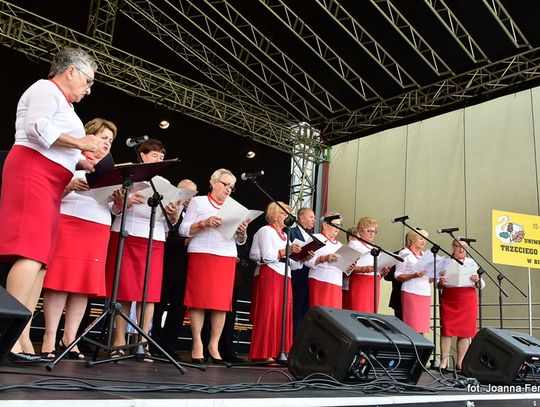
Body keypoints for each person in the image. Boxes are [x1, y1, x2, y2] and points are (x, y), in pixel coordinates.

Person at [0, 47, 101, 361]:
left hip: (51, 182)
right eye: (87, 81)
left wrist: (83, 161)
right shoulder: (46, 89)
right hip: (32, 171)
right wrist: (81, 143)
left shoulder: (67, 107)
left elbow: (60, 144)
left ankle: (22, 335)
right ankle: (8, 338)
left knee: (41, 261)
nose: (88, 89)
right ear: (71, 71)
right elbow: (37, 128)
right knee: (29, 251)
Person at [41, 118, 117, 360]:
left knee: (82, 286)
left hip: (98, 226)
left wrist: (122, 199)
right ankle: (49, 338)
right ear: (89, 135)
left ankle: (70, 338)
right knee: (59, 281)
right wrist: (71, 185)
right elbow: (49, 193)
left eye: (110, 141)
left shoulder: (111, 169)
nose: (106, 143)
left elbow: (115, 209)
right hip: (69, 221)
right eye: (103, 137)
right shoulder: (68, 156)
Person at [105, 139, 180, 358]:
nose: (158, 158)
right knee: (125, 291)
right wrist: (127, 200)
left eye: (161, 155)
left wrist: (173, 216)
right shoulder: (128, 175)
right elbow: (113, 207)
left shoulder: (163, 183)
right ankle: (119, 340)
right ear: (142, 155)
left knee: (150, 294)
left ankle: (142, 342)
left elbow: (169, 222)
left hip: (154, 239)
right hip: (127, 234)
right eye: (154, 154)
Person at [179, 169, 249, 364]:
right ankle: (197, 344)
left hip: (226, 255)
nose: (228, 189)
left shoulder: (234, 207)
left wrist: (242, 232)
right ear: (214, 182)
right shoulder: (198, 202)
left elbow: (241, 241)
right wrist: (204, 223)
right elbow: (184, 229)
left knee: (221, 304)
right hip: (202, 251)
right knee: (198, 300)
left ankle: (213, 345)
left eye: (232, 187)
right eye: (226, 184)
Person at [150, 179, 197, 359]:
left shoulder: (195, 215)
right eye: (187, 193)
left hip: (186, 269)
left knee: (178, 311)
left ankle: (169, 347)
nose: (190, 197)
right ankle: (153, 344)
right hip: (166, 267)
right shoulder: (166, 208)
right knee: (158, 308)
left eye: (194, 194)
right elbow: (164, 238)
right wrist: (187, 241)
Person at [248, 202, 301, 361]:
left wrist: (303, 256)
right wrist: (287, 251)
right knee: (270, 312)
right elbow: (266, 256)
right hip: (271, 272)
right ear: (275, 215)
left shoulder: (285, 235)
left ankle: (281, 351)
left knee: (283, 313)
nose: (287, 217)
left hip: (286, 274)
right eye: (284, 214)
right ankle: (264, 353)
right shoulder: (266, 230)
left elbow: (295, 264)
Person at [439, 240, 482, 370]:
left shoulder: (472, 262)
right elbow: (437, 282)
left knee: (465, 332)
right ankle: (444, 361)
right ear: (453, 247)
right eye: (459, 246)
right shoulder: (444, 261)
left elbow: (480, 285)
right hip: (450, 296)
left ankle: (461, 362)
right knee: (447, 329)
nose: (462, 250)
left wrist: (477, 281)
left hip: (467, 298)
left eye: (465, 247)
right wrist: (441, 281)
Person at [347, 217, 389, 313]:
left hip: (374, 281)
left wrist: (382, 272)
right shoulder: (354, 244)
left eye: (374, 231)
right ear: (360, 232)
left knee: (372, 311)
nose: (371, 233)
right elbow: (346, 266)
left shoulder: (375, 248)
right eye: (369, 230)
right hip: (361, 282)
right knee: (360, 310)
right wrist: (362, 269)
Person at [394, 229, 432, 334]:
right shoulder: (404, 253)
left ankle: (420, 349)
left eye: (425, 239)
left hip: (425, 293)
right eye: (420, 238)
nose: (423, 241)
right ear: (412, 239)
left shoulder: (426, 255)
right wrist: (414, 275)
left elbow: (428, 279)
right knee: (411, 326)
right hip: (411, 292)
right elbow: (397, 275)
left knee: (421, 327)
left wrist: (436, 275)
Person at [305, 212, 344, 309]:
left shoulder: (340, 245)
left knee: (334, 315)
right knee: (321, 313)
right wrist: (324, 258)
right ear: (325, 225)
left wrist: (349, 266)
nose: (338, 228)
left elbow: (343, 267)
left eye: (340, 225)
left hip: (336, 282)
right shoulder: (316, 238)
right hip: (320, 280)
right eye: (335, 225)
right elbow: (306, 260)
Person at [290, 207, 315, 335]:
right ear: (301, 218)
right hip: (296, 276)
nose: (314, 220)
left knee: (305, 312)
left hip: (308, 276)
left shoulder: (312, 236)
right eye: (311, 217)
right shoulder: (291, 232)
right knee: (295, 310)